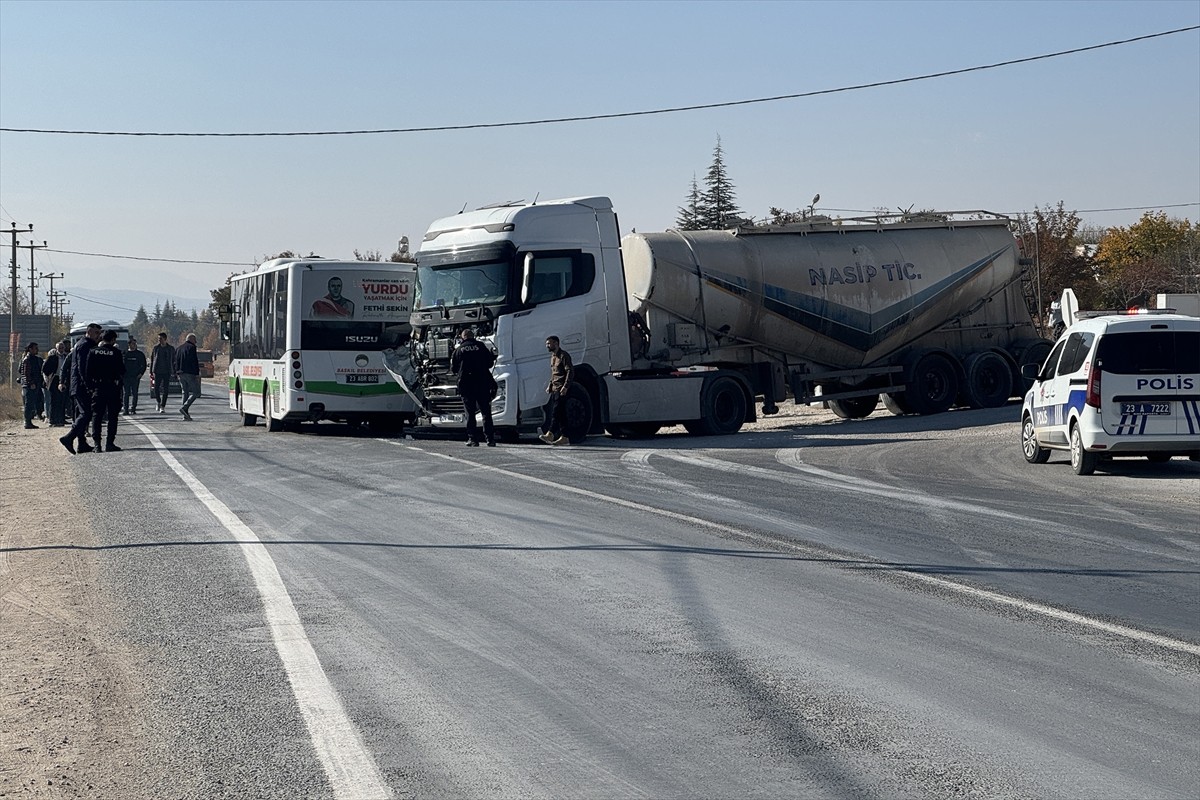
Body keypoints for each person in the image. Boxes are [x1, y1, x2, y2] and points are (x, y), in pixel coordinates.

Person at [450, 328, 497, 447]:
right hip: (482, 383)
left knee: (470, 413)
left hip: (467, 385)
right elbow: (490, 363)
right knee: (486, 412)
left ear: (463, 337)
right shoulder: (481, 346)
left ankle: (473, 439)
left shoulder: (459, 350)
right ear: (473, 336)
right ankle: (490, 439)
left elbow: (454, 369)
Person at [60, 323, 102, 454]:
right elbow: (83, 367)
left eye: (99, 334)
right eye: (96, 333)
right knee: (86, 413)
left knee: (80, 413)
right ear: (89, 332)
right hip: (81, 385)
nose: (98, 336)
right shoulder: (85, 345)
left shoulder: (81, 344)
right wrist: (89, 385)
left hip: (77, 385)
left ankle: (82, 443)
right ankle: (69, 437)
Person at [87, 329, 126, 452]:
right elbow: (122, 371)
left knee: (97, 416)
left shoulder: (93, 352)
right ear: (113, 340)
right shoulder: (116, 353)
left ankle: (97, 444)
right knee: (112, 417)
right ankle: (110, 443)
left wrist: (91, 387)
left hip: (98, 388)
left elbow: (87, 371)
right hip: (112, 388)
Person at [539, 335, 574, 445]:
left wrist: (565, 387)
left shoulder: (564, 356)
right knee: (561, 414)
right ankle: (565, 437)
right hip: (555, 388)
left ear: (556, 343)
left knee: (556, 412)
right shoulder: (553, 357)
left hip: (562, 389)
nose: (547, 346)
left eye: (549, 343)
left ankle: (550, 434)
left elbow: (570, 371)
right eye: (547, 344)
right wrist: (550, 385)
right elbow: (554, 373)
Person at [42, 339, 70, 426]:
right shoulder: (52, 357)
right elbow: (44, 369)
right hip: (54, 380)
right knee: (54, 401)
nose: (61, 349)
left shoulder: (66, 357)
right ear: (57, 348)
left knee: (62, 400)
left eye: (62, 348)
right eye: (60, 348)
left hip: (64, 380)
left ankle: (61, 420)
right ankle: (53, 420)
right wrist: (49, 376)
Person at [174, 332, 201, 421]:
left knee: (184, 392)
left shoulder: (178, 348)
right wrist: (197, 373)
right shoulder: (192, 348)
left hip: (180, 373)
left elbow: (175, 362)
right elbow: (194, 361)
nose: (196, 342)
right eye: (195, 340)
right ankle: (185, 407)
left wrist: (176, 372)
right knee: (196, 392)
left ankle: (185, 415)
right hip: (189, 373)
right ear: (191, 339)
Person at [18, 342, 45, 429]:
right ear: (30, 349)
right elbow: (26, 373)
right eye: (35, 348)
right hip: (29, 385)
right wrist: (30, 383)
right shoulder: (27, 359)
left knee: (33, 403)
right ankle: (27, 422)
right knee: (28, 404)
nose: (37, 350)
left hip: (35, 384)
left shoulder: (34, 359)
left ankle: (30, 420)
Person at [148, 331, 175, 413]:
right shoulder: (156, 348)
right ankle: (158, 402)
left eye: (161, 339)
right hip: (157, 371)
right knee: (156, 388)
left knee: (166, 389)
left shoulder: (170, 349)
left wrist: (173, 370)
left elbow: (174, 360)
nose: (159, 340)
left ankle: (163, 406)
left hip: (167, 371)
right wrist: (151, 371)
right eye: (158, 339)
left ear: (165, 339)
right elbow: (152, 359)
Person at [121, 338, 148, 415]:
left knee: (135, 393)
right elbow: (120, 364)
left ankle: (133, 408)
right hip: (126, 377)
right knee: (126, 393)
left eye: (135, 344)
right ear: (129, 344)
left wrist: (141, 374)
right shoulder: (124, 353)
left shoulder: (139, 354)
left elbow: (144, 365)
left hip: (135, 377)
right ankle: (126, 409)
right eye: (132, 344)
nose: (134, 345)